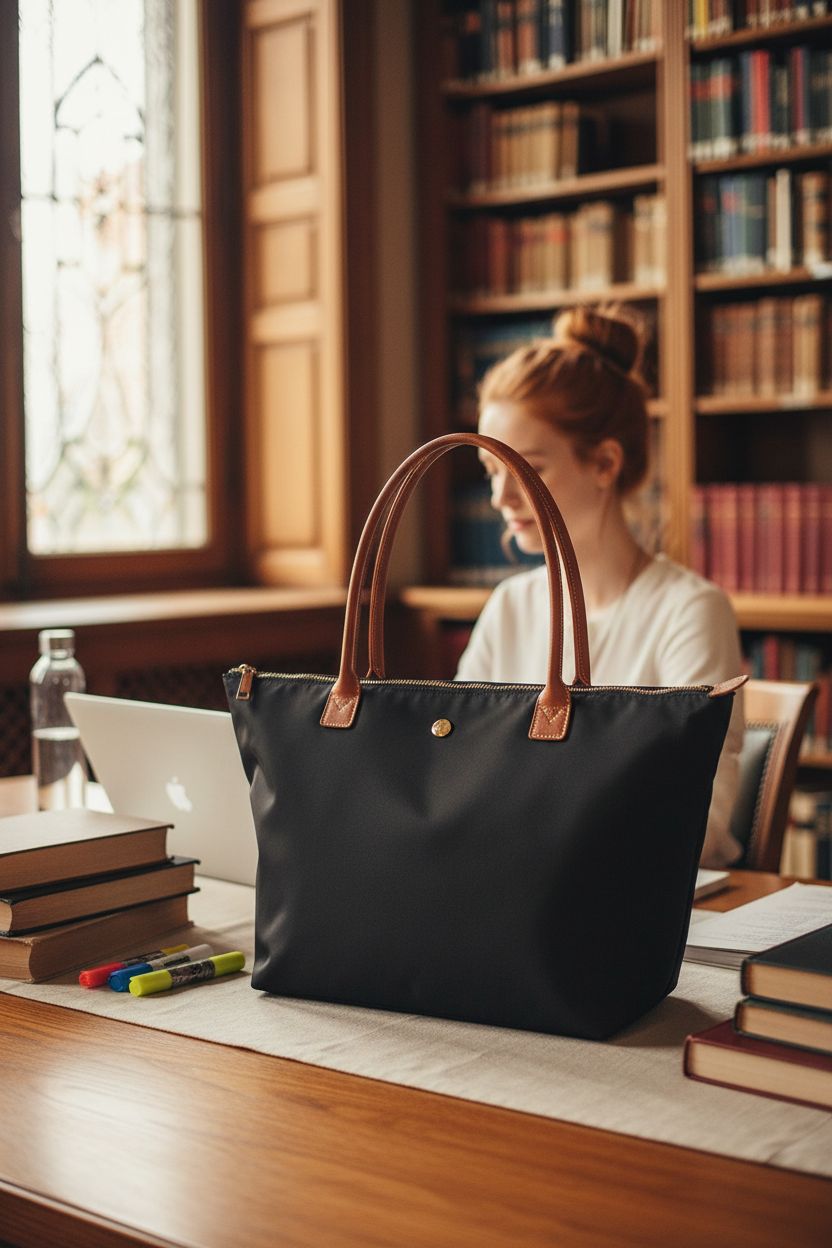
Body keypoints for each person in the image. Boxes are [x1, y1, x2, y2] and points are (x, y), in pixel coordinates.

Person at [456, 305, 745, 868]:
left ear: (605, 463)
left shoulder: (689, 612)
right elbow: (462, 772)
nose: (500, 498)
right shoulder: (509, 607)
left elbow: (699, 821)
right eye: (491, 472)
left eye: (526, 469)